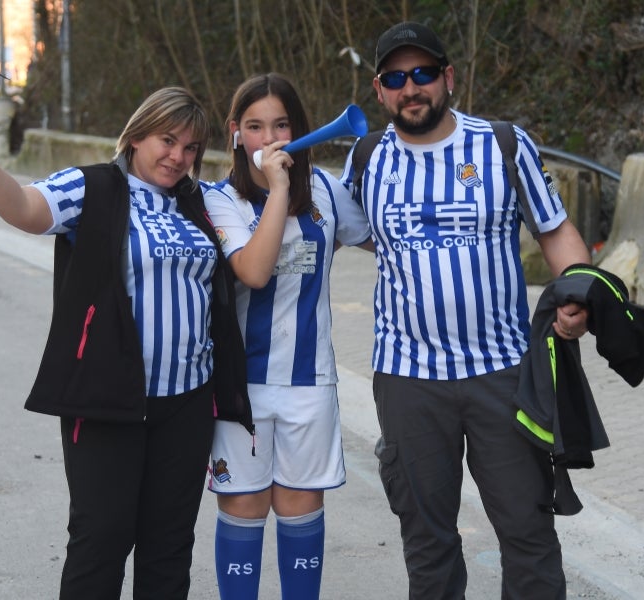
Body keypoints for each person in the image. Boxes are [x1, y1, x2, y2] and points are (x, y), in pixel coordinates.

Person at [0, 86, 253, 599]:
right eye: (167, 140)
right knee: (101, 539)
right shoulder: (94, 188)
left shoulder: (198, 202)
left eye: (191, 147)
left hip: (188, 401)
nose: (178, 156)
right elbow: (23, 207)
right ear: (135, 137)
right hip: (108, 398)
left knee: (170, 544)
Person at [340, 22, 593, 600]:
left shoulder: (503, 145)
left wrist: (578, 294)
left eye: (424, 74)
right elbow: (328, 226)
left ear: (448, 78)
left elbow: (555, 231)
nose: (412, 88)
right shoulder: (366, 158)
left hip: (504, 373)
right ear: (379, 91)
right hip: (407, 379)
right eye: (396, 78)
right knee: (428, 544)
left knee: (528, 535)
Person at [204, 73, 371, 600]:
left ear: (298, 129)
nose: (269, 138)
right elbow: (253, 271)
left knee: (300, 512)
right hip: (241, 388)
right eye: (254, 126)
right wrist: (278, 189)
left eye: (281, 125)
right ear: (235, 132)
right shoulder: (220, 199)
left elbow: (384, 240)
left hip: (309, 383)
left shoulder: (325, 190)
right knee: (245, 509)